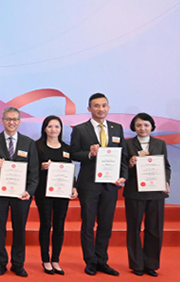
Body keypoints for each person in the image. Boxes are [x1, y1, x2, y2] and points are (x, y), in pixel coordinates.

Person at [69, 93, 127, 276]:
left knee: (106, 224)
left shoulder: (117, 128)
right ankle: (90, 261)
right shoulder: (80, 129)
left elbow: (123, 156)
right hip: (89, 184)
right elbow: (73, 154)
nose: (100, 109)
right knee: (87, 223)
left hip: (110, 184)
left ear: (108, 108)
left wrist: (123, 176)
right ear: (89, 109)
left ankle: (102, 260)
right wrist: (89, 154)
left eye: (104, 105)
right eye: (96, 106)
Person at [0, 107, 39, 277]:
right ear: (2, 121)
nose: (11, 122)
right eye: (8, 119)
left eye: (15, 119)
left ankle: (18, 263)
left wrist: (29, 191)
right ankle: (0, 262)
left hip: (21, 194)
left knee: (19, 228)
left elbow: (34, 171)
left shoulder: (29, 143)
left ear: (20, 121)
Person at [124, 112, 171, 277]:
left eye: (146, 125)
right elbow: (121, 167)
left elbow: (166, 166)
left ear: (152, 127)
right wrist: (129, 163)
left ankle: (151, 264)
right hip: (134, 192)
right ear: (134, 127)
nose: (142, 128)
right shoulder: (127, 144)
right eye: (138, 125)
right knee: (134, 229)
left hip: (156, 192)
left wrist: (166, 182)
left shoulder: (160, 144)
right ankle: (137, 264)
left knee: (154, 229)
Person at [34, 116, 78, 275]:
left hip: (62, 192)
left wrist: (74, 186)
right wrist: (41, 167)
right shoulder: (37, 146)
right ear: (44, 128)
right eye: (50, 126)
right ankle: (45, 259)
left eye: (57, 127)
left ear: (61, 129)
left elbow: (70, 170)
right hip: (43, 192)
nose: (53, 129)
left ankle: (56, 259)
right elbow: (31, 169)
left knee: (59, 225)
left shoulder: (66, 149)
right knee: (46, 224)